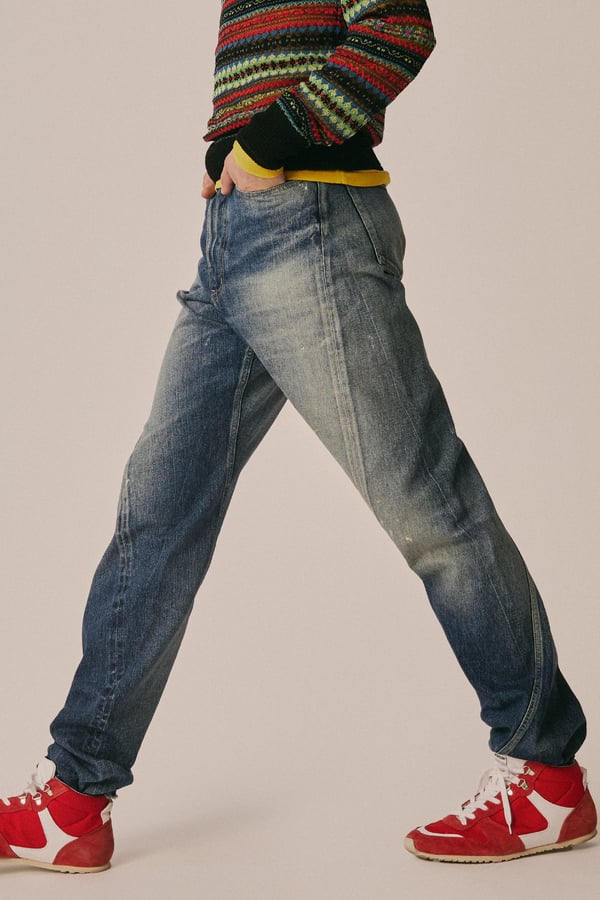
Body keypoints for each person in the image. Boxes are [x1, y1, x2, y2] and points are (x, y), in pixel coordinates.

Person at [0, 0, 596, 874]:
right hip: (231, 240)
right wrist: (233, 162)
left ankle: (546, 776)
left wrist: (267, 144)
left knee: (432, 511)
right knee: (155, 520)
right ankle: (72, 801)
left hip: (310, 228)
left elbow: (398, 25)